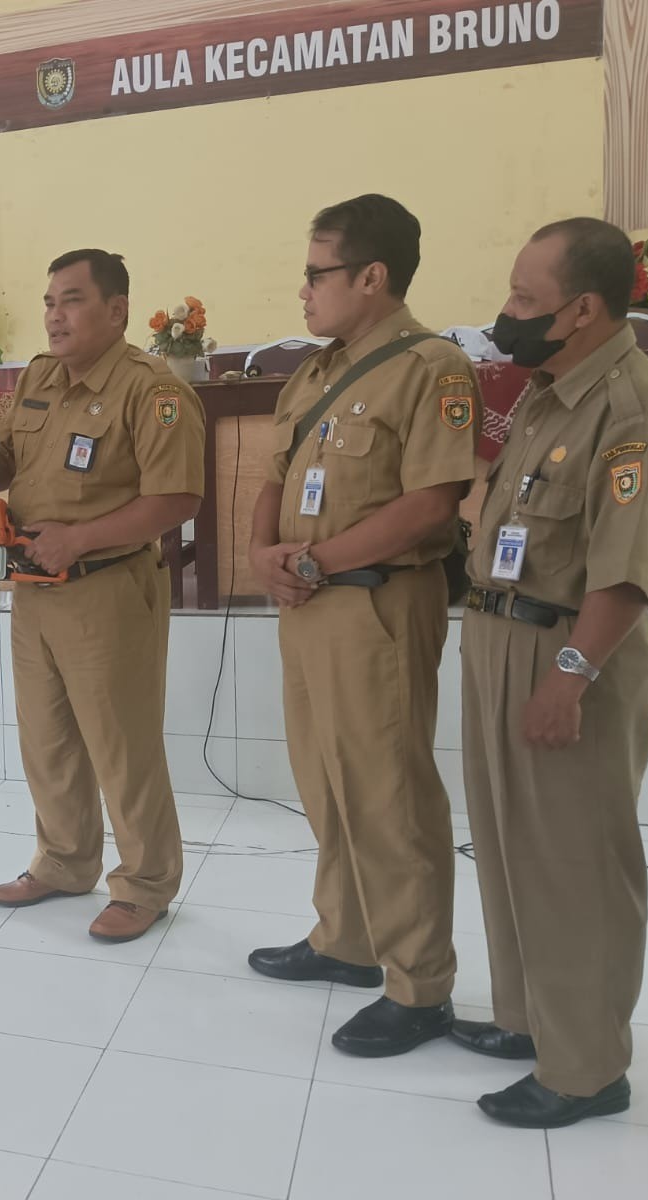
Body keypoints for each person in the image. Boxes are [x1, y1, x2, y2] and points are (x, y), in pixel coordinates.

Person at [455, 218, 648, 1127]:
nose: (507, 314)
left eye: (526, 299)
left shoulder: (636, 411)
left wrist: (568, 677)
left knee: (575, 863)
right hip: (500, 637)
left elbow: (626, 571)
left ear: (584, 309)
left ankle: (588, 1069)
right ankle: (533, 1024)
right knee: (511, 847)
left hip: (568, 652)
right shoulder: (548, 391)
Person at [243, 195, 479, 1056]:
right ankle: (346, 938)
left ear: (372, 277)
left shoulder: (433, 368)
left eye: (318, 272)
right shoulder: (315, 371)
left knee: (389, 795)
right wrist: (265, 549)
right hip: (308, 604)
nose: (303, 289)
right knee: (326, 780)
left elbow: (431, 504)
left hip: (377, 603)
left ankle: (420, 987)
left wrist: (316, 561)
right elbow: (276, 472)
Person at [0, 249, 204, 943]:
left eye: (70, 300)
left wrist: (81, 537)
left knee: (121, 743)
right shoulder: (39, 377)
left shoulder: (151, 389)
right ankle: (65, 862)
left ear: (117, 310)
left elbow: (177, 497)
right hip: (34, 588)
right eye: (48, 301)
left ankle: (146, 881)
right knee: (47, 738)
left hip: (108, 588)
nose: (53, 315)